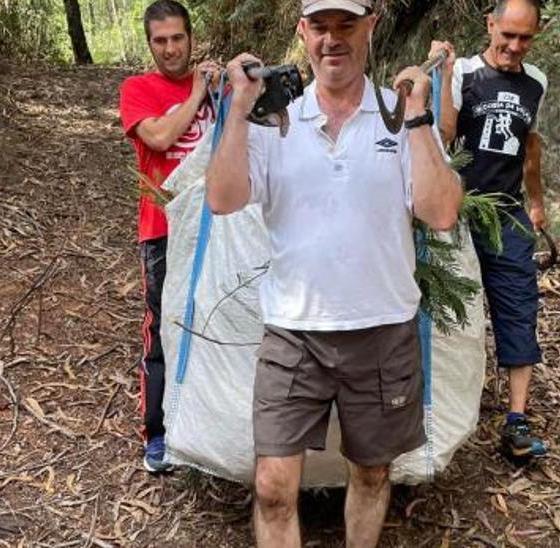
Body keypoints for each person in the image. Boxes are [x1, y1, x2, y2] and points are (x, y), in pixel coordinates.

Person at [205, 0, 463, 545]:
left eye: (346, 25)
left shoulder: (400, 113)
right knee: (274, 486)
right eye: (320, 26)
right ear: (302, 32)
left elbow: (441, 212)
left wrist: (417, 115)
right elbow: (223, 199)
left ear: (370, 27)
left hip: (382, 328)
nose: (332, 40)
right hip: (293, 333)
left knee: (371, 473)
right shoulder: (275, 120)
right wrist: (238, 109)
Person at [432, 0, 549, 463]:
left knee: (518, 307)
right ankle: (442, 407)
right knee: (450, 310)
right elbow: (442, 136)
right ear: (491, 24)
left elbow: (531, 145)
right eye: (508, 35)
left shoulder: (536, 82)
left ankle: (516, 421)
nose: (515, 47)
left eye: (525, 39)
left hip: (508, 214)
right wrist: (441, 77)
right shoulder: (461, 73)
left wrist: (537, 201)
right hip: (459, 212)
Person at [118, 0, 218, 474]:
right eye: (160, 40)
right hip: (162, 231)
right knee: (162, 330)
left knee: (215, 325)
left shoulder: (213, 88)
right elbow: (158, 138)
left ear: (190, 38)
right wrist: (198, 92)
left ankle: (204, 426)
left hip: (216, 228)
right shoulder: (138, 89)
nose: (171, 48)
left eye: (178, 38)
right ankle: (157, 435)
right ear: (150, 44)